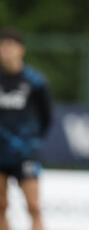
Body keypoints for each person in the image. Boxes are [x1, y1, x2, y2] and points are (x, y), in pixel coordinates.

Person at [0, 28, 51, 230]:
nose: (5, 51)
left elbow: (46, 116)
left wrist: (33, 142)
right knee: (1, 206)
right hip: (0, 153)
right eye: (1, 46)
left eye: (9, 46)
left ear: (21, 49)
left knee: (34, 206)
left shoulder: (35, 81)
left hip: (25, 152)